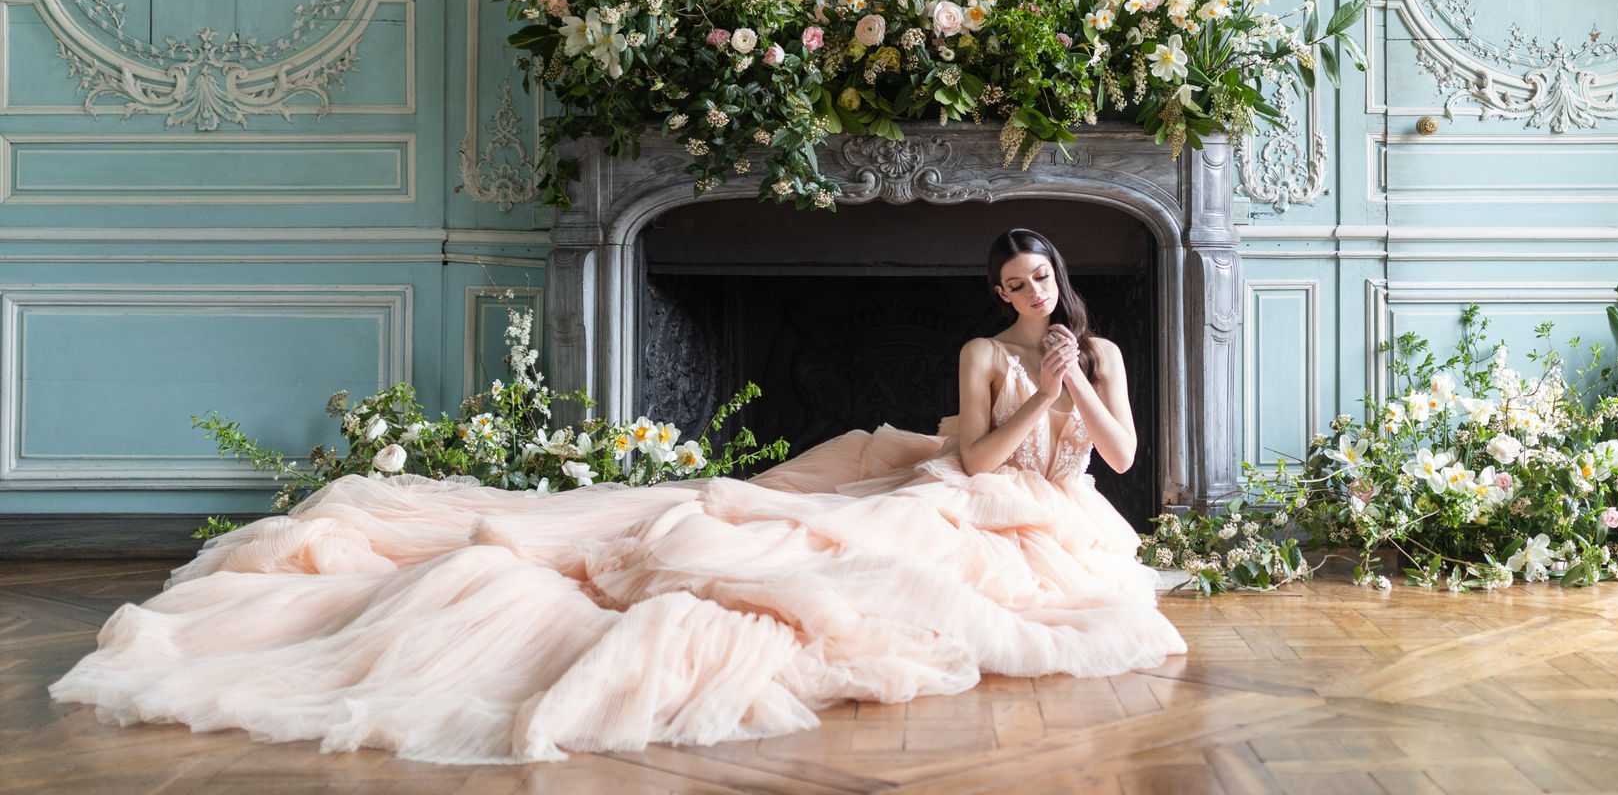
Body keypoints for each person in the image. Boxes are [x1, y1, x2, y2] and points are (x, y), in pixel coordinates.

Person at [48, 229, 1185, 765]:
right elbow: (983, 465)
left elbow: (1124, 462)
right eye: (1014, 282)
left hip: (1069, 518)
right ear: (998, 293)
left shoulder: (1102, 348)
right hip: (980, 496)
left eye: (1042, 278)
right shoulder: (986, 355)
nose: (1031, 292)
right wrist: (1038, 398)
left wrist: (1080, 384)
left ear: (1061, 282)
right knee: (813, 558)